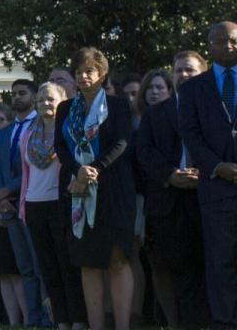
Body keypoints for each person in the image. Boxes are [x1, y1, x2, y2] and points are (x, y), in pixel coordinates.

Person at [54, 47, 136, 330]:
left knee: (117, 259)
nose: (83, 76)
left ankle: (122, 325)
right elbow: (60, 147)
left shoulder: (118, 105)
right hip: (78, 190)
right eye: (78, 72)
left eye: (89, 71)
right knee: (87, 262)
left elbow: (123, 143)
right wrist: (78, 170)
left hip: (114, 188)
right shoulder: (65, 109)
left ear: (102, 74)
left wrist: (95, 169)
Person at [136, 52, 207, 328]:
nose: (183, 75)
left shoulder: (218, 110)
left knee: (210, 268)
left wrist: (205, 173)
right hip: (168, 204)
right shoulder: (156, 113)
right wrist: (170, 175)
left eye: (190, 70)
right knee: (176, 271)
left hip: (207, 200)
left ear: (203, 73)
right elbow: (144, 151)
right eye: (178, 71)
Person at [179, 22, 237, 329]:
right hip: (216, 187)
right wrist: (217, 166)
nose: (228, 46)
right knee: (221, 260)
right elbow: (190, 134)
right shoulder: (192, 88)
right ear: (209, 46)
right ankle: (225, 323)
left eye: (233, 41)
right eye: (220, 41)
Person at [19, 82, 87, 330]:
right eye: (41, 100)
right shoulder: (28, 134)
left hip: (60, 203)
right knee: (48, 268)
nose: (45, 104)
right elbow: (26, 173)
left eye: (51, 99)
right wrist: (23, 207)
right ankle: (61, 322)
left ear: (63, 101)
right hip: (34, 204)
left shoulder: (69, 130)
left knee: (67, 266)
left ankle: (78, 321)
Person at [0, 79, 46, 326]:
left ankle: (49, 317)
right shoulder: (4, 133)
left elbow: (33, 166)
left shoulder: (41, 124)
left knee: (40, 264)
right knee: (24, 267)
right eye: (13, 94)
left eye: (22, 93)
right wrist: (1, 198)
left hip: (32, 200)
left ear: (34, 96)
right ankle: (32, 319)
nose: (16, 97)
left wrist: (7, 190)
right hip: (9, 207)